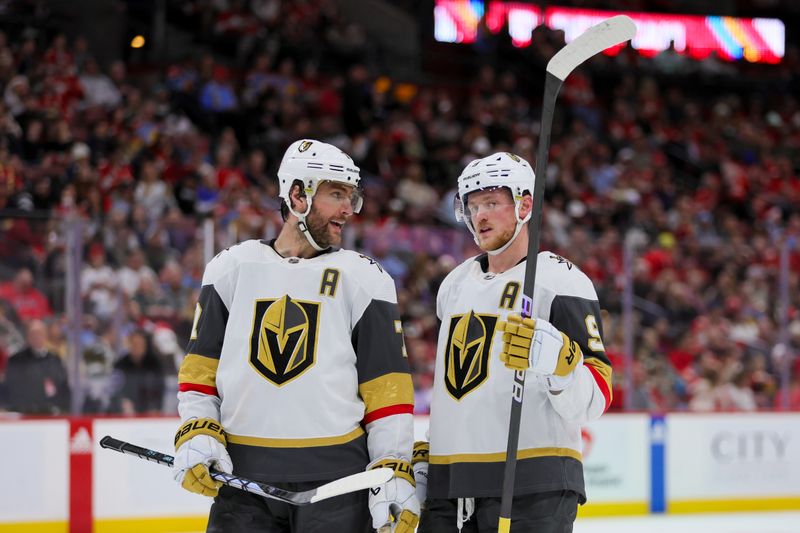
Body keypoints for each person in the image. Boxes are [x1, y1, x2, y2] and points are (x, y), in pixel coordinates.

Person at [172, 139, 419, 533]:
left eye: (350, 197)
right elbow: (200, 371)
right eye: (336, 194)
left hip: (341, 483)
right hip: (242, 484)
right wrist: (197, 428)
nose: (347, 210)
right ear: (297, 194)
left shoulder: (366, 278)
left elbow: (387, 389)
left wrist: (392, 464)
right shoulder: (230, 268)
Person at [415, 153, 613, 532]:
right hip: (451, 487)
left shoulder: (561, 281)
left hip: (530, 487)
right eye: (472, 206)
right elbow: (453, 387)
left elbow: (597, 395)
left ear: (525, 205)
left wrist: (562, 365)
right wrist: (428, 458)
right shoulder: (454, 285)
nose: (480, 216)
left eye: (491, 203)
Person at [4, 319, 71, 414]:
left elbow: (62, 385)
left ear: (46, 335)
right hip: (24, 413)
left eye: (39, 333)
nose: (36, 337)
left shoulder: (55, 359)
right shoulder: (16, 360)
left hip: (51, 412)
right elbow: (12, 388)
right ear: (27, 336)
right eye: (33, 334)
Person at [109, 329, 164, 414]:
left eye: (140, 344)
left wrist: (155, 407)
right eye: (134, 344)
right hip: (125, 413)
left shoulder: (154, 364)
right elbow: (114, 389)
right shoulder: (120, 364)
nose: (137, 347)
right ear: (129, 345)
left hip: (150, 412)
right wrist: (122, 402)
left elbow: (160, 388)